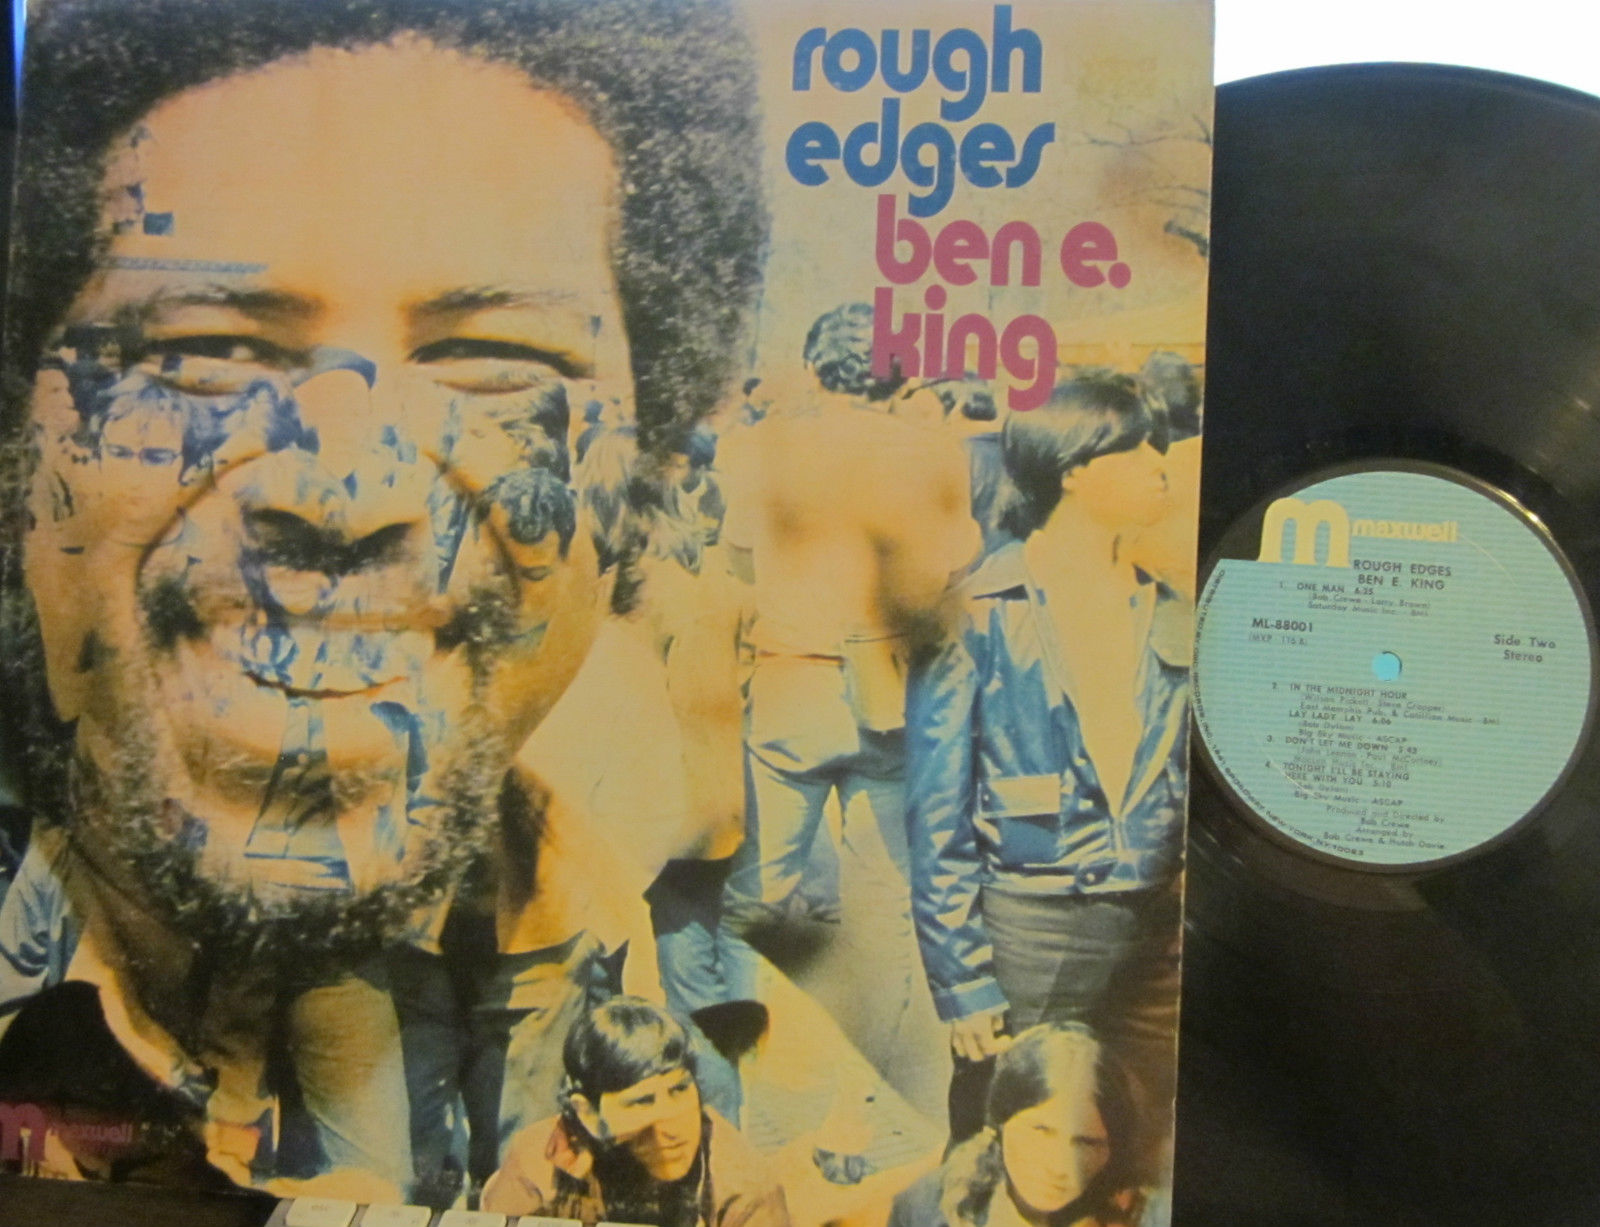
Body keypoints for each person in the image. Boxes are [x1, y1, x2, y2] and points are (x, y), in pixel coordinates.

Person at [0, 0, 764, 1196]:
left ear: (647, 468)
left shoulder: (584, 909)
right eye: (207, 349)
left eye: (492, 364)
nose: (342, 494)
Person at [905, 372, 1188, 1152]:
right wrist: (962, 978)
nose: (1159, 464)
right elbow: (936, 813)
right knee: (1004, 1138)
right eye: (1137, 447)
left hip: (1154, 931)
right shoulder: (978, 609)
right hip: (1034, 926)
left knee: (1130, 1145)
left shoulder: (1169, 605)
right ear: (1074, 469)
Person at [713, 303, 979, 1125]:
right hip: (889, 689)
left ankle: (745, 1092)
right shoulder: (933, 449)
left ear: (814, 366)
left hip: (790, 686)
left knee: (757, 897)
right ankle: (865, 1106)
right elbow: (955, 561)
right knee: (884, 904)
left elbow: (737, 556)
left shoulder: (765, 447)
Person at [483, 996, 789, 1226]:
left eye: (679, 1090)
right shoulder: (537, 1160)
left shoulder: (744, 1185)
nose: (673, 1126)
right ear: (587, 1114)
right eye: (641, 1102)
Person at [887, 1023, 1159, 1227]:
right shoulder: (929, 1207)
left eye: (1087, 1142)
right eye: (1041, 1131)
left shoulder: (1152, 1216)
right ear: (999, 1122)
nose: (1059, 1166)